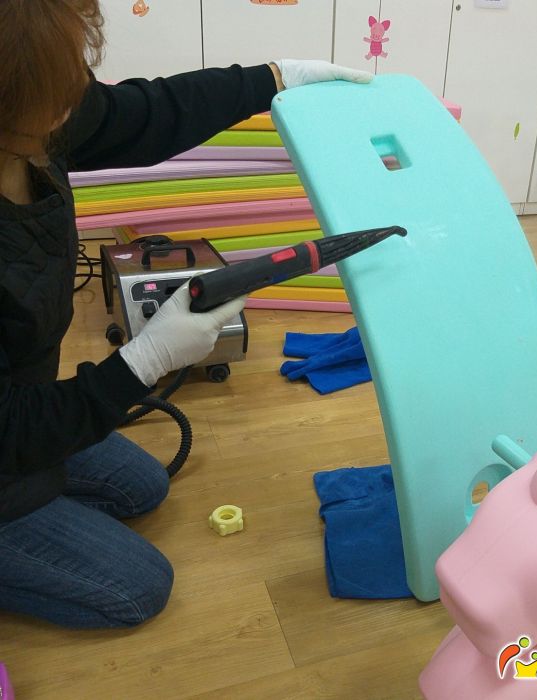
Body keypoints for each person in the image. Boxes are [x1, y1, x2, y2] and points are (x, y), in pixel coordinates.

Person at [0, 0, 372, 629]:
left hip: (20, 409)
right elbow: (9, 426)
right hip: (9, 429)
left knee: (143, 486)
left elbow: (142, 114)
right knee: (138, 589)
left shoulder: (37, 118)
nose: (74, 100)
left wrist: (272, 78)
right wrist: (143, 362)